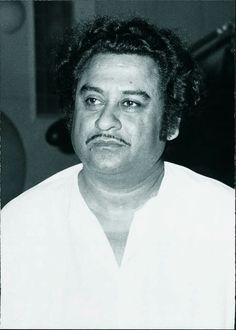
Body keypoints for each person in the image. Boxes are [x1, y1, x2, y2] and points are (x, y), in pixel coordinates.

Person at [1, 16, 234, 329]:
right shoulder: (18, 227)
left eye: (131, 103)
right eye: (93, 100)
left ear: (172, 122)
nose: (104, 121)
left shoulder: (223, 220)